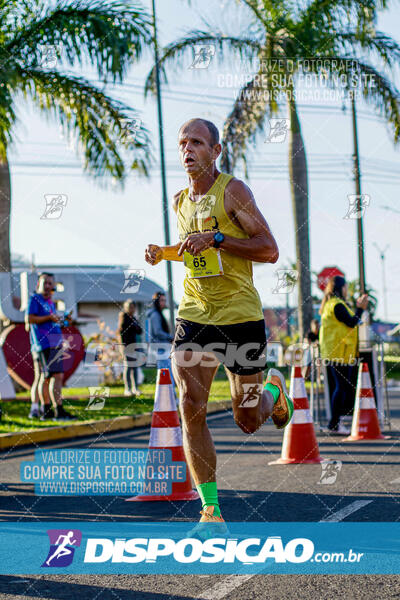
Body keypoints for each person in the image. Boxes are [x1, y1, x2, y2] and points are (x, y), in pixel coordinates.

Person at [145, 118, 294, 526]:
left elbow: (269, 249)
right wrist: (165, 253)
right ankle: (210, 509)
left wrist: (220, 239)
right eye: (181, 143)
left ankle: (273, 388)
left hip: (240, 316)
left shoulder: (233, 191)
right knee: (190, 404)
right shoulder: (179, 201)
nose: (187, 150)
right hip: (194, 314)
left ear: (216, 151)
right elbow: (192, 251)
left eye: (196, 142)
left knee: (246, 420)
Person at [319, 275, 368, 434]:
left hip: (337, 352)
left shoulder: (330, 304)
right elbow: (351, 322)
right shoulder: (337, 305)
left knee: (341, 387)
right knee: (341, 388)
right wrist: (360, 308)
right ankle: (334, 424)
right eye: (346, 287)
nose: (347, 290)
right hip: (339, 352)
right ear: (341, 288)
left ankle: (334, 423)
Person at [27, 272, 75, 420]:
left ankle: (57, 410)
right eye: (45, 283)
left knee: (58, 376)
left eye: (50, 283)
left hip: (55, 342)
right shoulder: (35, 299)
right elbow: (29, 318)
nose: (48, 286)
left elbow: (52, 322)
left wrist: (64, 321)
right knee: (46, 377)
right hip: (43, 344)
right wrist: (49, 317)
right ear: (38, 285)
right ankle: (47, 411)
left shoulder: (50, 303)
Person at [117, 299, 142, 397]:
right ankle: (127, 389)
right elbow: (122, 330)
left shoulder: (134, 318)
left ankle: (135, 388)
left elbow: (140, 331)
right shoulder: (124, 316)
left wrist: (134, 325)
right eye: (130, 307)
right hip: (126, 345)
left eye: (133, 307)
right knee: (128, 366)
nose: (132, 309)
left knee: (134, 367)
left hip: (134, 345)